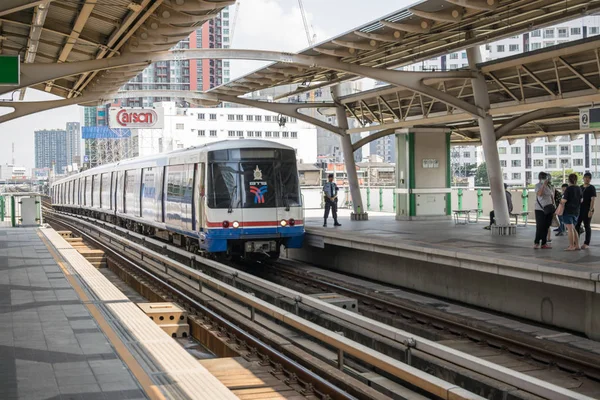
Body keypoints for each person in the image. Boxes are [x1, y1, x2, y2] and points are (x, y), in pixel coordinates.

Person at [560, 173, 582, 251]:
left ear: (569, 180)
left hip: (568, 211)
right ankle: (577, 245)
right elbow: (581, 200)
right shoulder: (579, 188)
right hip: (576, 211)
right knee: (573, 228)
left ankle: (571, 246)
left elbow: (564, 200)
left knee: (569, 228)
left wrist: (561, 201)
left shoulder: (568, 189)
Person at [534, 172, 555, 249]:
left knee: (546, 226)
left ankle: (544, 243)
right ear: (540, 178)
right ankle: (536, 242)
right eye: (543, 178)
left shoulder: (549, 186)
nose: (545, 179)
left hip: (549, 209)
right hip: (540, 209)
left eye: (546, 178)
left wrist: (553, 205)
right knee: (540, 226)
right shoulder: (537, 186)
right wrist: (543, 185)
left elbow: (551, 196)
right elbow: (539, 194)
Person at [575, 172, 596, 249]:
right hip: (580, 209)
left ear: (590, 179)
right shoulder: (580, 187)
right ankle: (576, 242)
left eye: (588, 178)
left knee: (587, 226)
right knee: (577, 225)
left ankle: (586, 243)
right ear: (583, 178)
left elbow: (593, 200)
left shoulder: (592, 188)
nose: (587, 179)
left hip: (588, 209)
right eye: (585, 177)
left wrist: (590, 210)